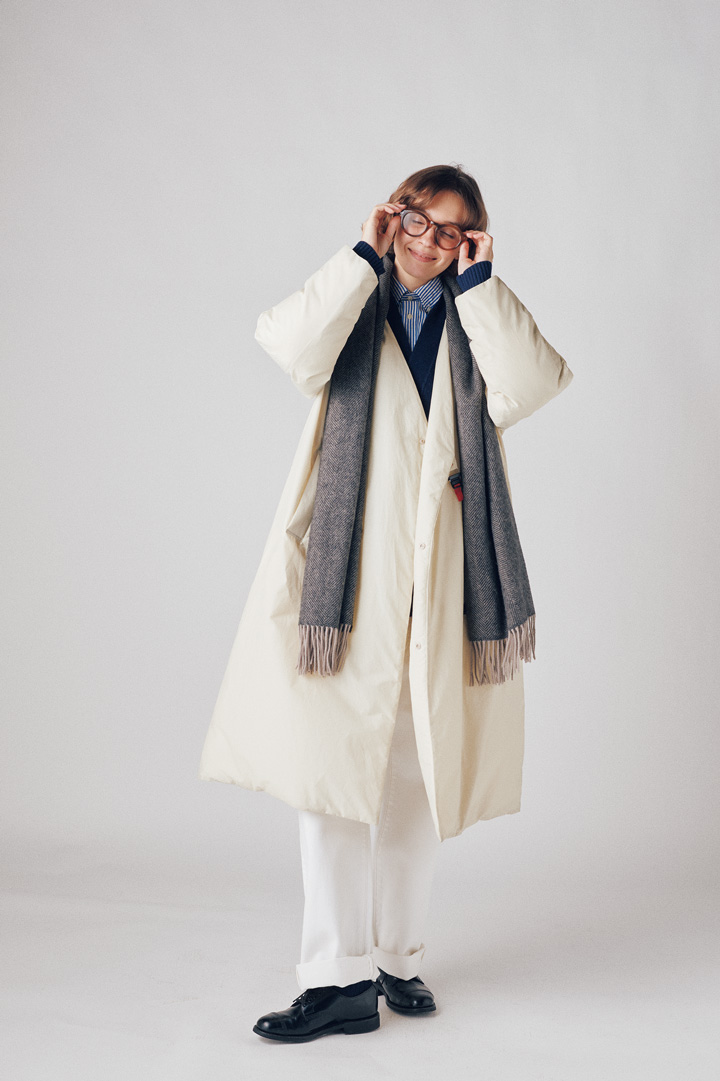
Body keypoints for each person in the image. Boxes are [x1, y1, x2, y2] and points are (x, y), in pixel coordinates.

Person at [198, 163, 574, 1042]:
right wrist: (360, 258)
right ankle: (337, 977)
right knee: (330, 776)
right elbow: (287, 344)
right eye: (417, 218)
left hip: (440, 585)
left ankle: (396, 956)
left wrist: (481, 285)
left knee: (415, 776)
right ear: (392, 214)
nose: (430, 240)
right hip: (345, 585)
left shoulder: (473, 319)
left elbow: (534, 384)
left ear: (469, 242)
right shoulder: (352, 303)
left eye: (452, 230)